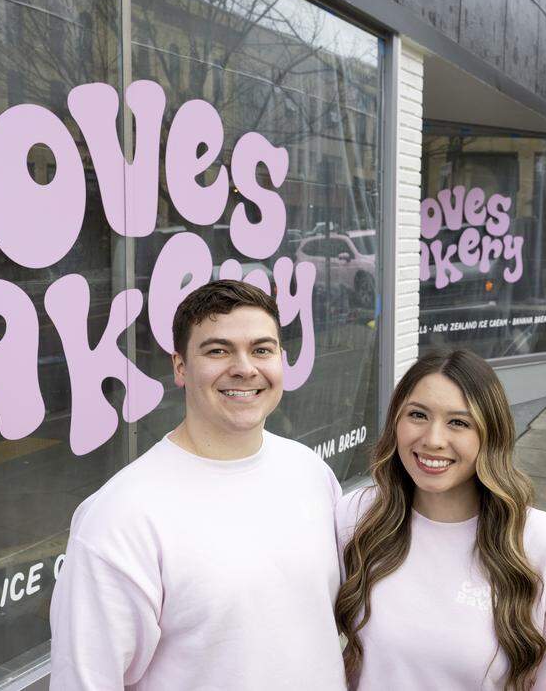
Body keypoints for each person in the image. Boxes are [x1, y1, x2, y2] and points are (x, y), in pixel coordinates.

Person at [49, 280, 346, 690]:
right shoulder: (121, 516)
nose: (244, 367)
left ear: (281, 359)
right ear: (180, 368)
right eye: (218, 350)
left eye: (262, 349)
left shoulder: (310, 472)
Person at [336, 349, 546, 690]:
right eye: (417, 415)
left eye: (458, 422)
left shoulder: (543, 545)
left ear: (491, 434)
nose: (432, 440)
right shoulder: (357, 517)